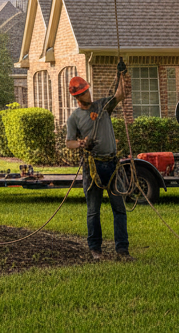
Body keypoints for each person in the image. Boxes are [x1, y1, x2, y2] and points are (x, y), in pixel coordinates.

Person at [65, 65, 130, 260]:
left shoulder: (103, 106)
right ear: (78, 96)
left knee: (119, 208)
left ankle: (122, 251)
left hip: (112, 164)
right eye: (84, 93)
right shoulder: (74, 118)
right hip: (92, 167)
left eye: (88, 90)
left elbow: (121, 94)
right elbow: (69, 142)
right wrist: (81, 143)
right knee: (93, 210)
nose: (88, 94)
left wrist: (121, 75)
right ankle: (95, 250)